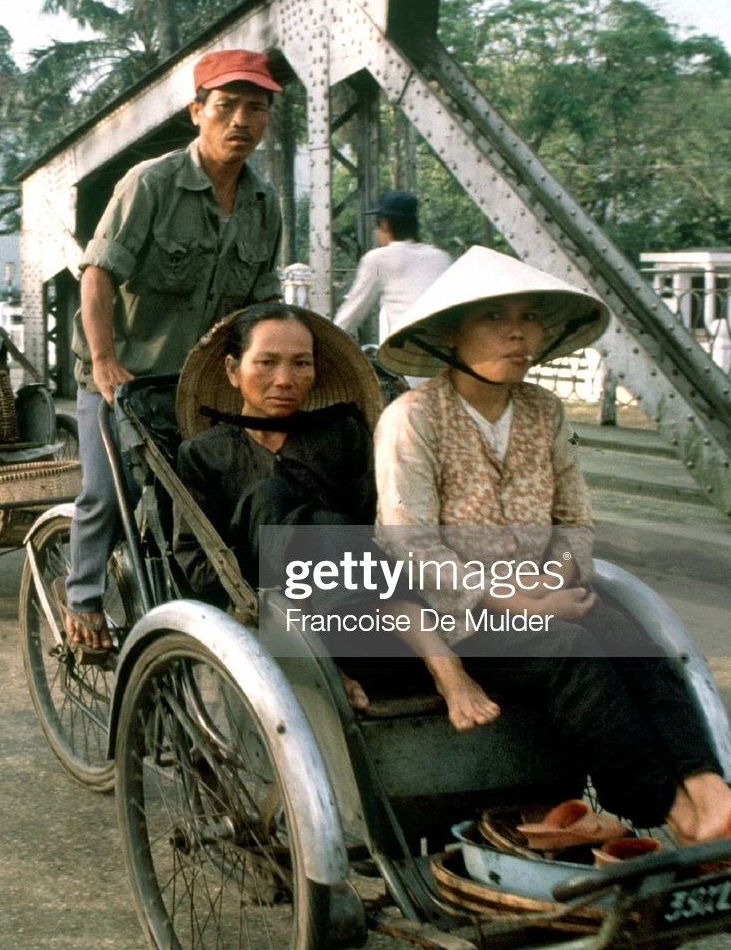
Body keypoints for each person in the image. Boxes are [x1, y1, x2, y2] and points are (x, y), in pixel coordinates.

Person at [374, 247, 731, 845]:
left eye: (529, 318)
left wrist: (560, 578)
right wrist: (516, 602)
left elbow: (574, 515)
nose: (516, 333)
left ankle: (713, 794)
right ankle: (678, 815)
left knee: (635, 641)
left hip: (548, 599)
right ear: (451, 334)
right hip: (458, 617)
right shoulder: (413, 419)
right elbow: (412, 545)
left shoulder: (542, 410)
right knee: (575, 648)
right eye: (493, 319)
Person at [174, 303, 498, 729]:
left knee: (335, 527)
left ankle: (446, 669)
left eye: (300, 364)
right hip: (272, 612)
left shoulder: (343, 433)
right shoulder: (204, 454)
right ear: (233, 370)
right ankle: (332, 666)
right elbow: (195, 564)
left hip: (368, 611)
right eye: (267, 363)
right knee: (272, 499)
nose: (285, 380)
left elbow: (381, 525)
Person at [66, 47, 288, 651]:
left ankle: (199, 615)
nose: (241, 120)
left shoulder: (265, 204)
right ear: (197, 112)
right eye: (226, 107)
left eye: (256, 109)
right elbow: (97, 276)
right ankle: (82, 600)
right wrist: (106, 361)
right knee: (110, 494)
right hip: (126, 377)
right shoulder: (151, 183)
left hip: (200, 386)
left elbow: (260, 308)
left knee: (210, 499)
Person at [333, 190, 453, 387]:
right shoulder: (441, 257)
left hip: (410, 364)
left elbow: (351, 313)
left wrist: (325, 347)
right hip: (448, 363)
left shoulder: (379, 258)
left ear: (385, 225)